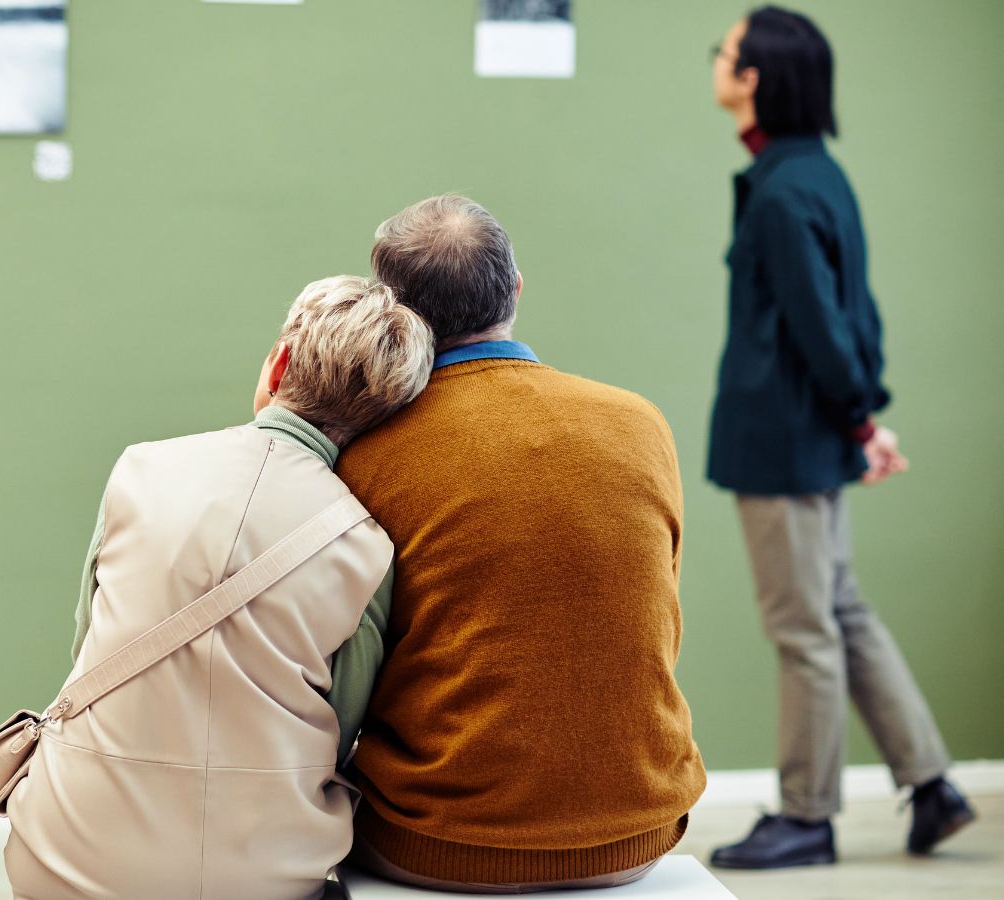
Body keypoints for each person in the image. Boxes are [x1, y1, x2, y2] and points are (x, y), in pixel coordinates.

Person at [2, 275, 435, 899]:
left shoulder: (142, 469)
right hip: (267, 874)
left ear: (280, 362)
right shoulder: (365, 547)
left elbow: (87, 645)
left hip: (70, 856)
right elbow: (340, 731)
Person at [335, 194, 707, 893]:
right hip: (637, 837)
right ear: (515, 289)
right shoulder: (640, 424)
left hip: (432, 843)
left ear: (393, 311)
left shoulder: (368, 452)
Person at [706, 6, 973, 869]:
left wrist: (861, 417)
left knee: (804, 629)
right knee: (842, 612)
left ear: (756, 80)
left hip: (784, 443)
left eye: (727, 54)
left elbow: (824, 326)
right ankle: (932, 786)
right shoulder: (819, 175)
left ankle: (807, 816)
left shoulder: (782, 191)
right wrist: (861, 419)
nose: (716, 64)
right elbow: (857, 316)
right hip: (813, 433)